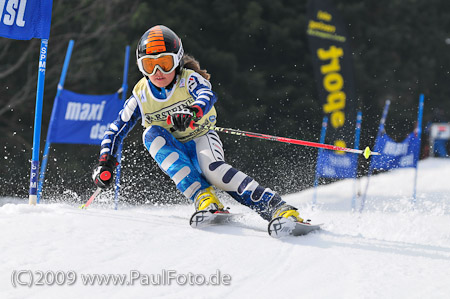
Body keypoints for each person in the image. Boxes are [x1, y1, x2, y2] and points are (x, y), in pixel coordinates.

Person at [92, 25, 304, 223]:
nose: (158, 71)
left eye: (164, 63)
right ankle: (203, 197)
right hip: (173, 146)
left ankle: (277, 207)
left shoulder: (189, 79)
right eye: (149, 64)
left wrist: (191, 112)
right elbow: (115, 131)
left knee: (214, 171)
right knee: (150, 135)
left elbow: (207, 95)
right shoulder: (140, 96)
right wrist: (105, 162)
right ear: (142, 67)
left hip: (201, 137)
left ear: (176, 60)